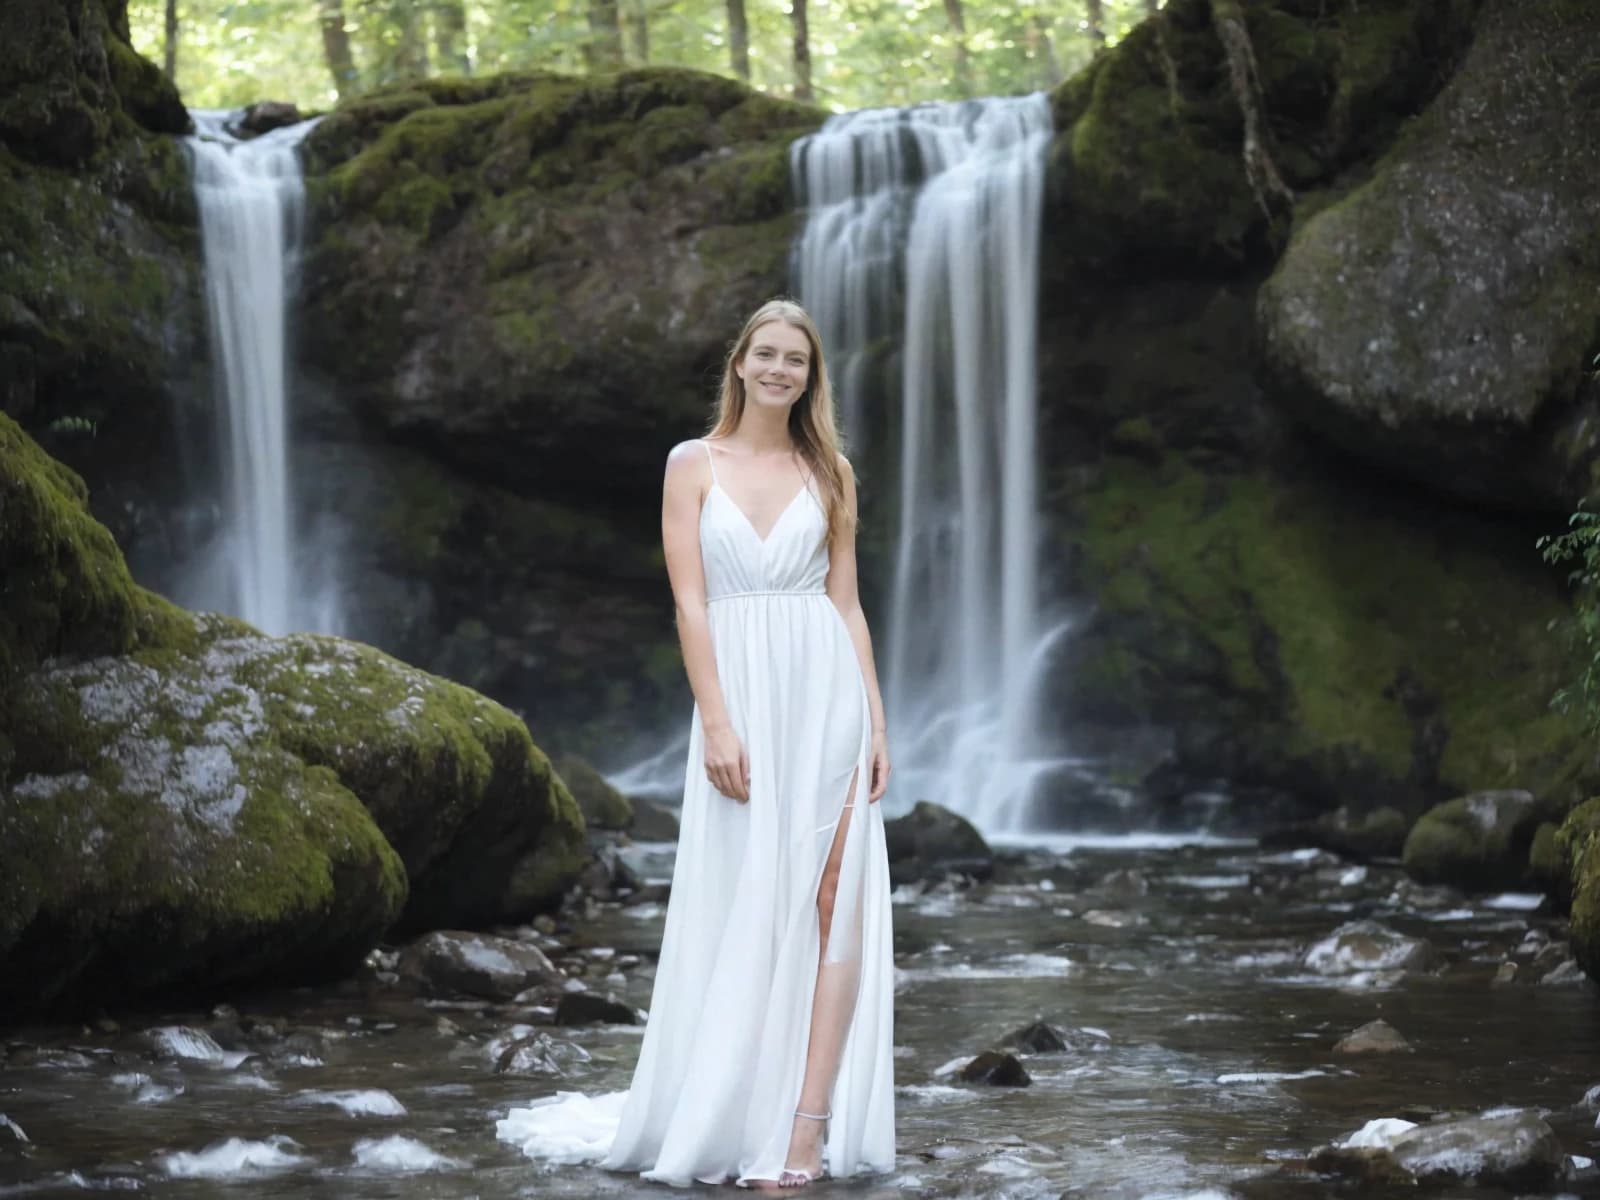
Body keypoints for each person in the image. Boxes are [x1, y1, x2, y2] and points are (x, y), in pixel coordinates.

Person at [496, 298, 897, 1188]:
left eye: (796, 359)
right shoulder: (692, 464)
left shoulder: (831, 469)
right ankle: (728, 1100)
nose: (780, 370)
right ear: (741, 364)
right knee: (750, 897)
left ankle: (806, 1126)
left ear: (810, 376)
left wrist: (875, 720)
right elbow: (690, 602)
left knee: (836, 894)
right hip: (741, 697)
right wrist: (716, 720)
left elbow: (847, 603)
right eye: (767, 354)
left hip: (825, 691)